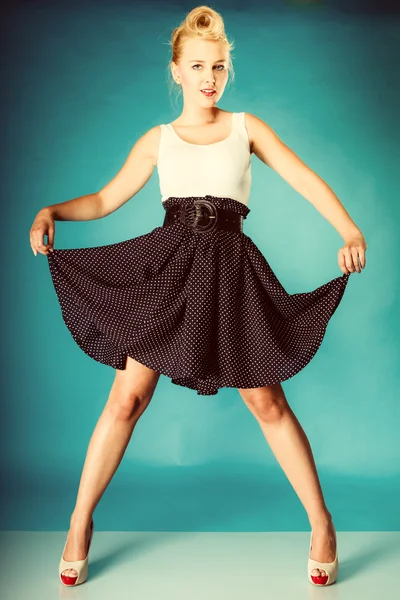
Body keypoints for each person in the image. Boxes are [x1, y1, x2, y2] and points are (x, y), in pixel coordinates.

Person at [29, 5, 367, 589]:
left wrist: (350, 230)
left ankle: (322, 522)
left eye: (218, 66)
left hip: (230, 273)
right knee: (127, 399)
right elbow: (106, 200)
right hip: (168, 273)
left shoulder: (247, 128)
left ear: (227, 69)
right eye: (197, 66)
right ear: (177, 71)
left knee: (266, 403)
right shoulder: (158, 140)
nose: (209, 77)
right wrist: (51, 210)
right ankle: (79, 522)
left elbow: (305, 176)